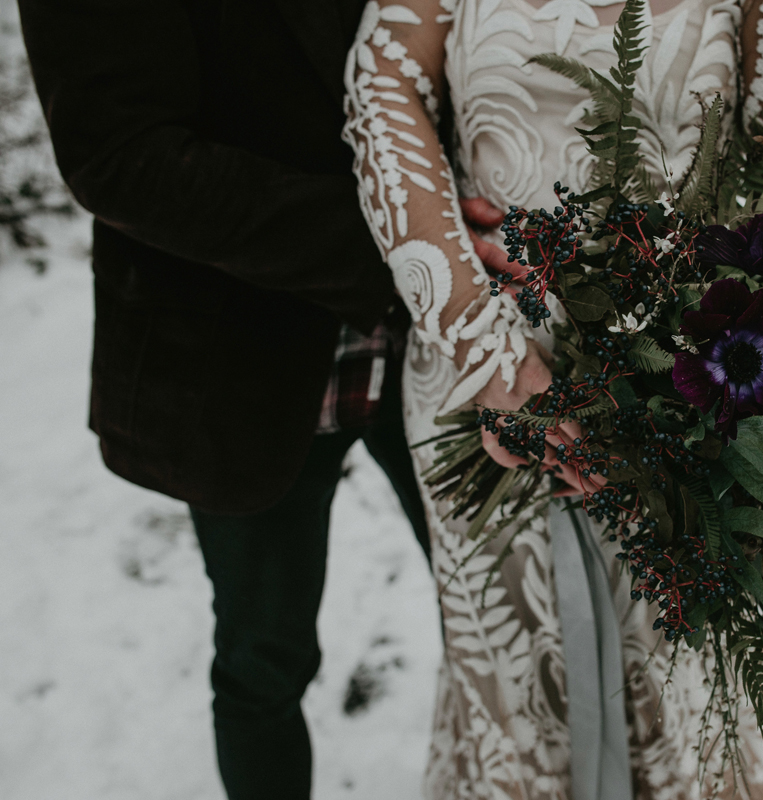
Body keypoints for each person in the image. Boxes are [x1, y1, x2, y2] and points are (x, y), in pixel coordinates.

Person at [342, 0, 763, 796]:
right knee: (516, 692)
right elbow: (384, 86)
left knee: (685, 689)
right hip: (477, 380)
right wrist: (480, 338)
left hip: (686, 392)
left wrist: (674, 367)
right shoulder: (476, 347)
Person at [15, 2, 493, 798]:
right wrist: (405, 247)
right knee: (264, 658)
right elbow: (119, 155)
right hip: (239, 367)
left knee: (498, 624)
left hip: (442, 352)